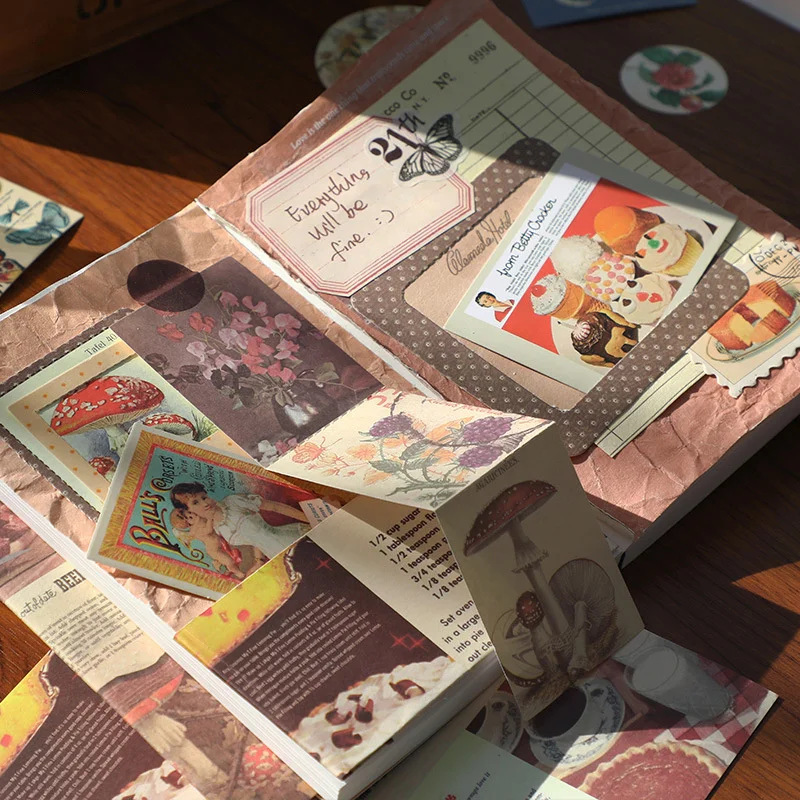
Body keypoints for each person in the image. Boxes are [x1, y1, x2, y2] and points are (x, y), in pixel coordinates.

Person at [170, 482, 310, 568]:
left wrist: (308, 519)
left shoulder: (232, 502)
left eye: (204, 497)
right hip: (280, 558)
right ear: (189, 511)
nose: (205, 503)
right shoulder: (217, 529)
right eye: (195, 503)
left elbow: (275, 507)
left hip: (295, 538)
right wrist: (258, 561)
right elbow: (256, 539)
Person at [169, 507, 245, 580]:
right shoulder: (194, 531)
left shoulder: (199, 521)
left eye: (189, 512)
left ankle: (222, 566)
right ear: (188, 524)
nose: (192, 515)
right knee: (229, 561)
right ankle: (238, 573)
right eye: (190, 517)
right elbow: (208, 530)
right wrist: (209, 519)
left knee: (228, 558)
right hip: (214, 550)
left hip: (219, 543)